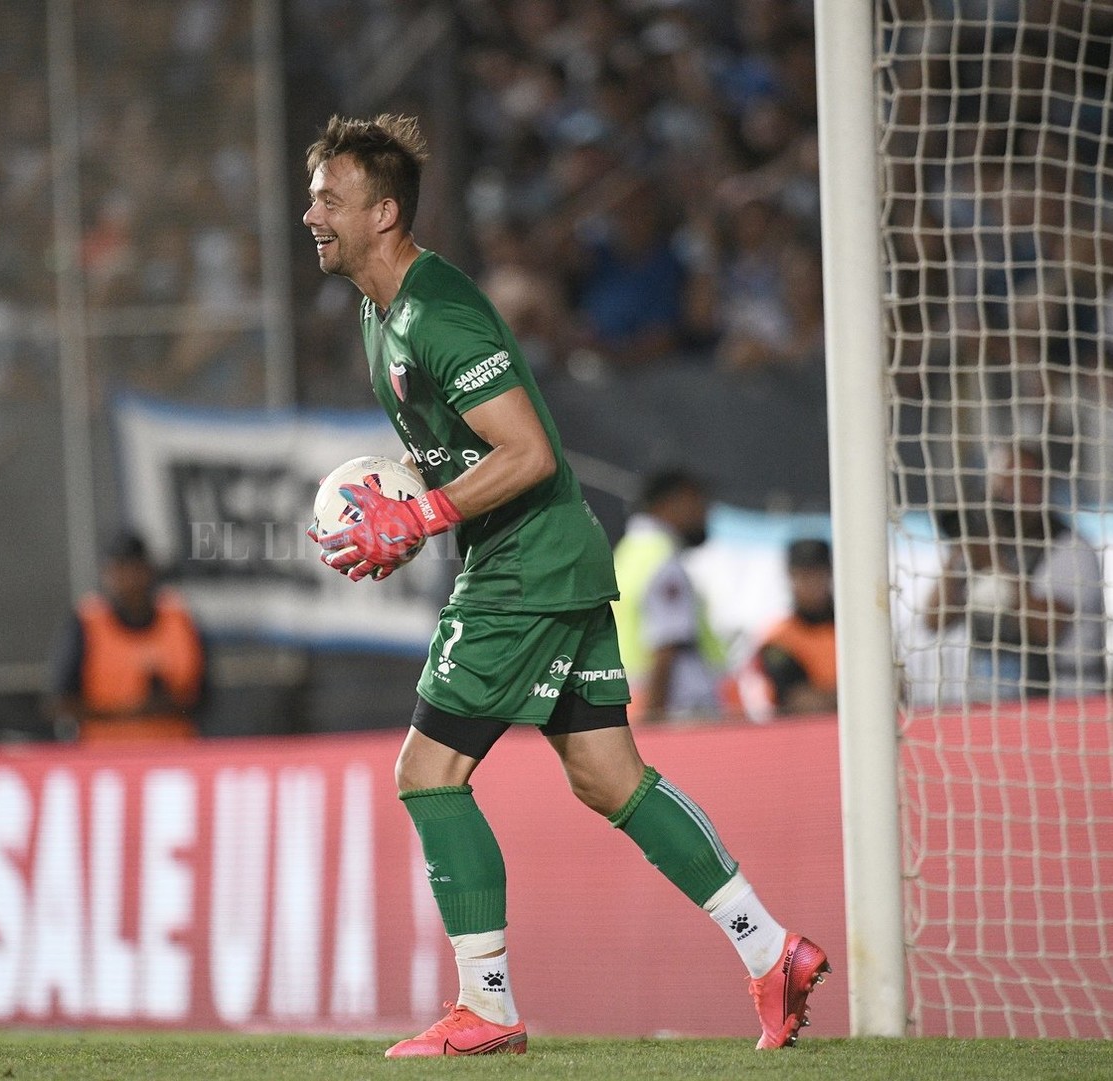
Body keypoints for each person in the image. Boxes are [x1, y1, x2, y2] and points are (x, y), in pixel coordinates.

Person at [301, 114, 827, 1057]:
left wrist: (422, 516)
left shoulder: (437, 312)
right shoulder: (380, 314)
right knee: (607, 775)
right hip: (548, 558)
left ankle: (487, 1006)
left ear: (383, 213)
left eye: (328, 199)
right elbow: (460, 454)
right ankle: (769, 949)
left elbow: (529, 452)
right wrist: (409, 508)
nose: (311, 215)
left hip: (524, 564)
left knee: (426, 773)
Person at [922, 442, 1106, 700]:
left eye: (1021, 482)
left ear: (1042, 486)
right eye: (1002, 483)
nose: (1010, 494)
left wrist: (997, 566)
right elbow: (933, 620)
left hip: (1064, 702)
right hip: (992, 701)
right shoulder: (986, 544)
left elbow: (1047, 629)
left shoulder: (1069, 548)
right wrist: (959, 554)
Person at [50, 531, 207, 743]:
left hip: (174, 751)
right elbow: (60, 702)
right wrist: (131, 711)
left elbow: (204, 697)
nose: (130, 580)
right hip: (106, 754)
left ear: (149, 571)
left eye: (136, 569)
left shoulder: (178, 618)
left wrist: (168, 704)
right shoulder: (88, 622)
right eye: (120, 570)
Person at [610, 469, 729, 724]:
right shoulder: (662, 560)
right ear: (676, 501)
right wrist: (653, 720)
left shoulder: (629, 553)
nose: (705, 512)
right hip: (675, 711)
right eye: (698, 501)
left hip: (634, 701)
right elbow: (665, 647)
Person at [747, 538, 838, 717]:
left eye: (818, 575)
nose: (812, 585)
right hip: (800, 730)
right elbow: (803, 701)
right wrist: (855, 696)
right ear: (790, 578)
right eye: (804, 576)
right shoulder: (778, 638)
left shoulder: (855, 630)